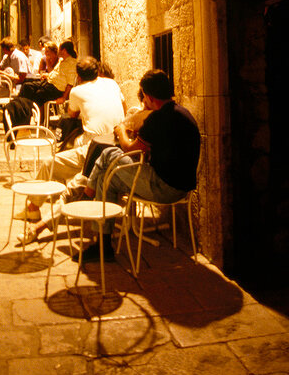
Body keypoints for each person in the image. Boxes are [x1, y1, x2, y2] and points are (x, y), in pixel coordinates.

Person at [71, 69, 200, 262]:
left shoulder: (157, 118)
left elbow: (130, 149)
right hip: (182, 187)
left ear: (148, 96)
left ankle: (89, 196)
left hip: (164, 187)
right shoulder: (182, 113)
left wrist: (121, 129)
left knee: (107, 154)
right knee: (108, 178)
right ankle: (102, 243)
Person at [14, 56, 126, 234]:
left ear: (78, 76)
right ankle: (42, 205)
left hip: (94, 147)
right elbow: (124, 108)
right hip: (117, 143)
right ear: (97, 71)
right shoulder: (112, 84)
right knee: (76, 144)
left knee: (50, 163)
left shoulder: (77, 91)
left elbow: (72, 114)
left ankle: (35, 209)